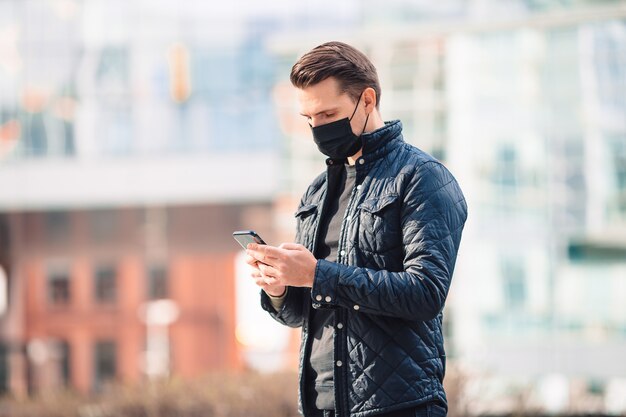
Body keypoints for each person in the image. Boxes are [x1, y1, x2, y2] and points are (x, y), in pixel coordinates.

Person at [245, 41, 467, 417]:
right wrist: (282, 288)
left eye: (328, 113)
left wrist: (317, 274)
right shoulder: (317, 191)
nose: (318, 128)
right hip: (323, 406)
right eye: (309, 118)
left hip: (400, 406)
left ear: (367, 100)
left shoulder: (421, 178)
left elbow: (425, 293)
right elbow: (303, 312)